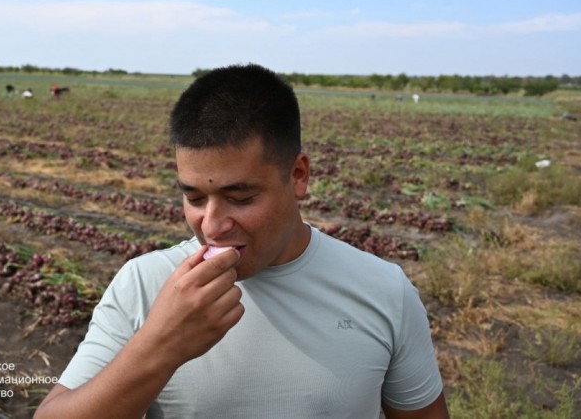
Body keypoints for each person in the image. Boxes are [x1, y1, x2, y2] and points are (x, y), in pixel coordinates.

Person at [34, 64, 449, 419]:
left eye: (241, 198)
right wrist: (160, 345)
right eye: (194, 197)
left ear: (298, 175)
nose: (211, 225)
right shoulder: (145, 284)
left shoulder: (383, 290)